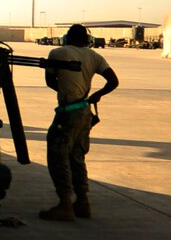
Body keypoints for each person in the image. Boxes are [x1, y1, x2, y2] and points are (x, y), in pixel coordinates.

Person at [40, 23, 117, 220]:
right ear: (86, 39)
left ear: (68, 37)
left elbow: (50, 81)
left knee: (58, 155)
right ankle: (82, 203)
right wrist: (96, 95)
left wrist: (67, 91)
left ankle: (65, 204)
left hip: (68, 112)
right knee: (77, 156)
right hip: (85, 111)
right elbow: (113, 81)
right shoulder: (95, 56)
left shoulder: (57, 53)